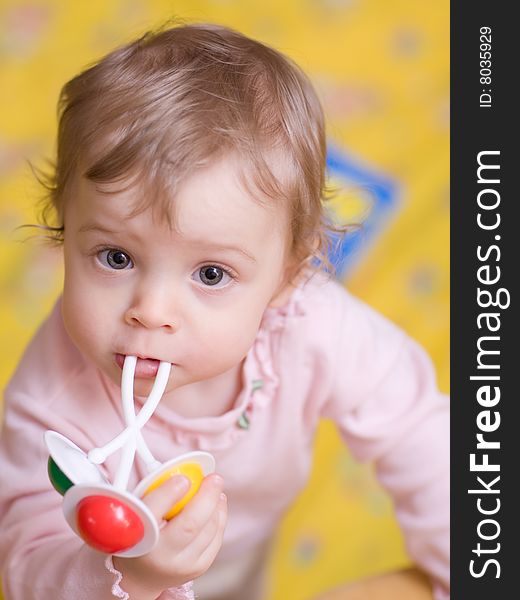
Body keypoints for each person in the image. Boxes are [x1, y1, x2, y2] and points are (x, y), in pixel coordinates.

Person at [0, 22, 449, 600]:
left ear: (289, 275)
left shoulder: (312, 327)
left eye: (211, 274)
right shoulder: (53, 401)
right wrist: (131, 576)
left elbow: (417, 429)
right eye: (115, 257)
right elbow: (26, 565)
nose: (151, 312)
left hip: (239, 558)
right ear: (64, 228)